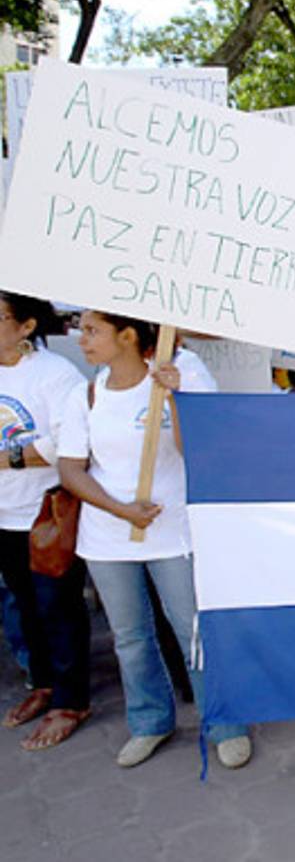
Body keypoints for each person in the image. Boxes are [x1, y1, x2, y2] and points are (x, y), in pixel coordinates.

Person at [57, 311, 252, 769]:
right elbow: (70, 469)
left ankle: (224, 723)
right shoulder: (84, 395)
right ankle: (150, 722)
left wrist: (179, 400)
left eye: (92, 330)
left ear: (126, 336)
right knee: (130, 637)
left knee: (192, 631)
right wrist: (120, 509)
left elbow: (198, 452)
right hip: (107, 540)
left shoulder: (172, 383)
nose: (80, 339)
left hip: (172, 535)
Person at [0, 293, 91, 750]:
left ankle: (72, 699)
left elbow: (66, 442)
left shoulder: (56, 375)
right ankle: (43, 684)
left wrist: (7, 458)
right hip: (3, 515)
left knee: (58, 607)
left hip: (45, 512)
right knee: (24, 607)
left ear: (25, 326)